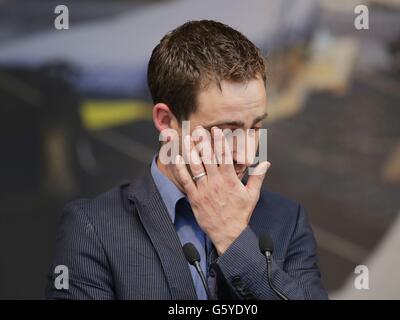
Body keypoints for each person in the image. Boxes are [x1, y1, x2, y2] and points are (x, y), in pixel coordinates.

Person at [46, 20, 327, 300]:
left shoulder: (287, 220)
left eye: (254, 128)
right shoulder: (94, 227)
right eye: (226, 131)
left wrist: (232, 237)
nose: (245, 155)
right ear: (166, 121)